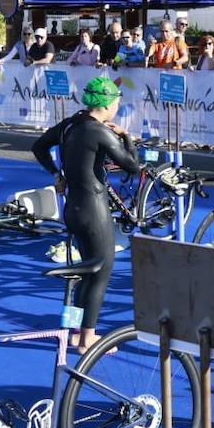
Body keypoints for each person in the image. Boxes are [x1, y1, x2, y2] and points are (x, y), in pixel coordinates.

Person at [31, 77, 140, 351]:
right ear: (107, 104)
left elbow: (39, 146)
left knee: (87, 273)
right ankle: (87, 338)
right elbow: (132, 166)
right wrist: (127, 137)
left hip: (72, 209)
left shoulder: (71, 123)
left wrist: (57, 174)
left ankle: (77, 331)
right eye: (116, 102)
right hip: (94, 209)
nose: (117, 107)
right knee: (101, 272)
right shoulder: (100, 132)